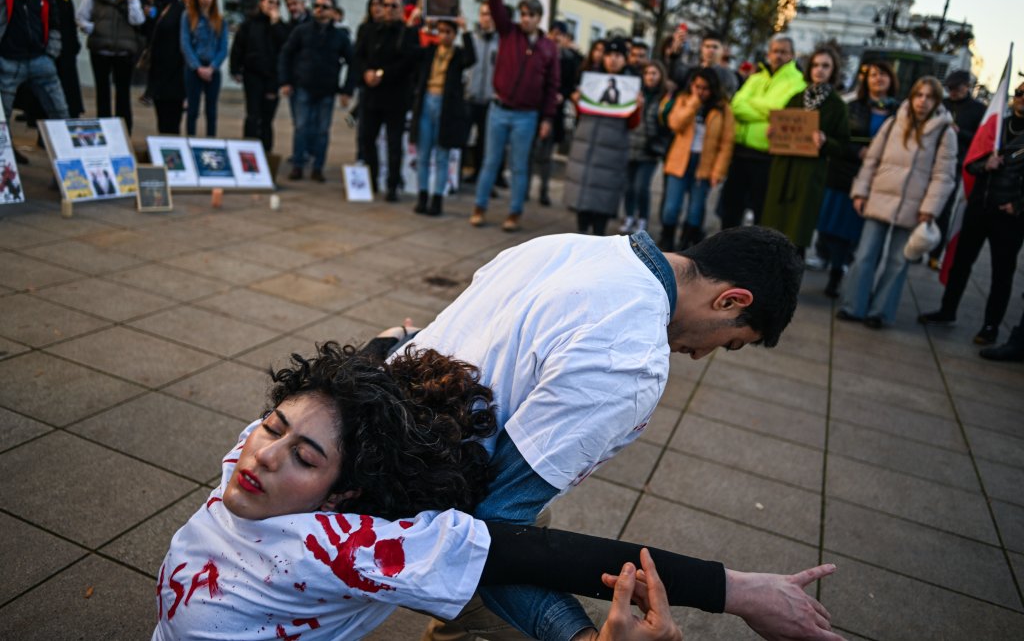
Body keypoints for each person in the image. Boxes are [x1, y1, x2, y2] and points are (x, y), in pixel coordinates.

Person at [153, 335, 806, 641]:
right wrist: (396, 341)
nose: (262, 454)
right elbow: (373, 360)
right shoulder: (256, 452)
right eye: (272, 427)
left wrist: (737, 591)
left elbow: (541, 555)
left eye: (303, 457)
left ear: (340, 496)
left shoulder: (339, 546)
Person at [414, 226, 841, 641]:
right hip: (405, 516)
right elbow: (490, 533)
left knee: (537, 518)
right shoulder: (630, 362)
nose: (700, 355)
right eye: (730, 343)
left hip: (396, 441)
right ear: (731, 300)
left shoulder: (563, 246)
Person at [837, 76, 957, 329]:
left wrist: (929, 209)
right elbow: (872, 160)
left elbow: (943, 176)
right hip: (880, 197)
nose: (923, 101)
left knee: (898, 261)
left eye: (929, 97)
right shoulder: (893, 123)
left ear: (937, 101)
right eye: (919, 95)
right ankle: (853, 306)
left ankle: (879, 312)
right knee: (865, 255)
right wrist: (861, 191)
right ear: (911, 97)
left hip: (915, 207)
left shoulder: (945, 132)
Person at [918, 80, 1024, 346]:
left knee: (1002, 274)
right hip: (979, 207)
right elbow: (971, 161)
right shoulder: (996, 125)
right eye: (1020, 92)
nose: (1022, 97)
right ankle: (947, 309)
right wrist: (984, 164)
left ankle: (990, 326)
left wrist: (1018, 206)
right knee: (960, 262)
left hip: (1009, 217)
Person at [469, 0, 560, 233]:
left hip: (527, 115)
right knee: (490, 161)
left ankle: (514, 212)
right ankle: (479, 206)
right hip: (499, 108)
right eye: (523, 14)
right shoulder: (509, 33)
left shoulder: (548, 48)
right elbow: (496, 4)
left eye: (531, 15)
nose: (526, 19)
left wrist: (547, 118)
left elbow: (552, 85)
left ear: (539, 18)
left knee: (520, 166)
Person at [817, 60, 899, 298]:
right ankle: (833, 264)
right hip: (845, 174)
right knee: (833, 227)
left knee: (855, 231)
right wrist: (857, 151)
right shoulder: (851, 106)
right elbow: (840, 137)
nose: (878, 79)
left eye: (883, 74)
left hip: (877, 179)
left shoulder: (898, 111)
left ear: (891, 80)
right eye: (874, 74)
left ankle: (841, 272)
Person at [762, 46, 849, 254]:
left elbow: (843, 145)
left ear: (833, 70)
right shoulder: (797, 98)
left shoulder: (837, 105)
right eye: (816, 65)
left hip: (809, 176)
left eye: (825, 66)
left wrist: (825, 141)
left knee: (797, 233)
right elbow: (782, 128)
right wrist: (773, 132)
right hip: (783, 170)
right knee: (772, 231)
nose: (819, 70)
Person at [718, 35, 806, 228]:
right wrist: (765, 112)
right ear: (768, 53)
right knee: (731, 208)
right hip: (740, 151)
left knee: (761, 211)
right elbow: (736, 104)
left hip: (767, 156)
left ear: (792, 55)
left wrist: (752, 106)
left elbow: (779, 110)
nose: (778, 56)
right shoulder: (755, 78)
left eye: (783, 51)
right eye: (775, 51)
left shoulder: (798, 82)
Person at [564, 37, 640, 236]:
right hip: (587, 147)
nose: (613, 60)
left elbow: (632, 123)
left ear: (625, 59)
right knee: (583, 198)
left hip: (612, 152)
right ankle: (582, 232)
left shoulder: (631, 86)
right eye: (609, 55)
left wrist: (637, 106)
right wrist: (577, 102)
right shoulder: (591, 80)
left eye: (618, 56)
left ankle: (599, 234)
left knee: (603, 202)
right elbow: (582, 115)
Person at [278, 0, 353, 183]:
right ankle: (298, 164)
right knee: (301, 127)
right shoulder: (302, 31)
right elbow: (286, 54)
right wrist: (285, 81)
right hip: (303, 86)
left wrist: (347, 90)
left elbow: (354, 62)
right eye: (317, 6)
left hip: (327, 89)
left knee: (322, 130)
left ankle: (318, 167)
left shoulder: (340, 36)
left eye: (325, 7)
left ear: (333, 12)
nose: (319, 10)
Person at [659, 68, 735, 251]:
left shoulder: (723, 108)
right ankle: (667, 240)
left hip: (704, 164)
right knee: (671, 207)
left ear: (713, 88)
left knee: (695, 210)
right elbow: (674, 124)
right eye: (697, 87)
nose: (701, 91)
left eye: (705, 88)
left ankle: (687, 246)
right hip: (680, 161)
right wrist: (693, 103)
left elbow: (726, 142)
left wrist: (718, 172)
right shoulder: (684, 100)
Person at [353, 0, 418, 201]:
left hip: (395, 97)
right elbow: (359, 56)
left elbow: (408, 63)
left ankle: (392, 184)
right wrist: (366, 73)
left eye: (394, 6)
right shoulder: (370, 30)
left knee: (393, 143)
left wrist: (381, 74)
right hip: (371, 95)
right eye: (386, 5)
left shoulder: (407, 33)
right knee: (366, 139)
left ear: (401, 10)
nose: (389, 10)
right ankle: (371, 180)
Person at [409, 16, 475, 216]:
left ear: (454, 35)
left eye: (448, 32)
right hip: (427, 101)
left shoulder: (459, 54)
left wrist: (466, 32)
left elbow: (472, 58)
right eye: (441, 31)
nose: (444, 35)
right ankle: (422, 195)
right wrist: (418, 26)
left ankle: (437, 198)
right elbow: (409, 51)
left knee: (442, 155)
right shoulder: (430, 51)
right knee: (423, 154)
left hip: (446, 107)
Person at [928, 69, 987, 269]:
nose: (952, 92)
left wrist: (959, 132)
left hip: (956, 163)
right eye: (949, 88)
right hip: (932, 159)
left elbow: (980, 140)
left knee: (944, 208)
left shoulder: (978, 109)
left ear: (967, 87)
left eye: (957, 88)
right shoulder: (941, 104)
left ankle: (935, 254)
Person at [75, 0, 143, 131]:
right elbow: (81, 18)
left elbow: (138, 19)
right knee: (102, 92)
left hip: (123, 52)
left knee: (123, 94)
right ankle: (104, 130)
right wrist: (91, 28)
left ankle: (124, 131)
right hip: (101, 50)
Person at [0, 0, 68, 124]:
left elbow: (54, 20)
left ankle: (64, 149)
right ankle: (4, 150)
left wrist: (52, 52)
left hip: (41, 59)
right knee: (2, 121)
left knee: (61, 113)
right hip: (7, 61)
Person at [15, 0, 82, 120]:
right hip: (38, 50)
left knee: (64, 97)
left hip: (64, 53)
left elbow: (68, 24)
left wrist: (72, 48)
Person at [230, 0, 288, 152]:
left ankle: (266, 152)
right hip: (253, 75)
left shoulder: (281, 26)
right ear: (261, 3)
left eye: (276, 3)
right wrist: (235, 69)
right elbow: (238, 47)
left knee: (267, 118)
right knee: (252, 115)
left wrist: (276, 23)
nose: (273, 6)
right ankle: (248, 150)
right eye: (270, 1)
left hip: (272, 78)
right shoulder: (250, 23)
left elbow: (285, 47)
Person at [530, 19, 580, 206]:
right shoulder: (541, 53)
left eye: (561, 34)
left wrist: (563, 95)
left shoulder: (570, 59)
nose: (556, 37)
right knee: (530, 153)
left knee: (546, 155)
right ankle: (526, 190)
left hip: (554, 113)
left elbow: (572, 82)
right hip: (535, 109)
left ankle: (543, 191)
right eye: (554, 32)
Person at [621, 60, 671, 235]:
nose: (650, 77)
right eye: (647, 73)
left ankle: (642, 219)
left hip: (649, 150)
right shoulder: (635, 93)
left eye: (654, 73)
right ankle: (629, 216)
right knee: (628, 186)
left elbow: (665, 124)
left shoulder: (664, 98)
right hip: (631, 146)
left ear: (660, 76)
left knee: (641, 187)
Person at [180, 0, 227, 137]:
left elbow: (223, 48)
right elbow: (185, 43)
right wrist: (198, 67)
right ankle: (191, 140)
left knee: (211, 111)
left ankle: (211, 141)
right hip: (194, 68)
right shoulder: (188, 16)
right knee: (192, 110)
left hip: (212, 69)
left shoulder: (220, 19)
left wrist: (212, 67)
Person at [464, 1, 504, 188]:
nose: (486, 18)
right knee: (463, 137)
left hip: (490, 98)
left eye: (489, 14)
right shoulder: (472, 38)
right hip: (470, 96)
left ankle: (479, 174)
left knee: (484, 142)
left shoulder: (501, 42)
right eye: (483, 14)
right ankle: (458, 172)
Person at [144, 0, 184, 134]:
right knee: (161, 116)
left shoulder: (178, 7)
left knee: (173, 117)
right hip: (158, 69)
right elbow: (146, 34)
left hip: (175, 68)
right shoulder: (153, 7)